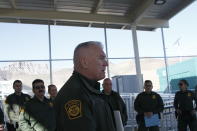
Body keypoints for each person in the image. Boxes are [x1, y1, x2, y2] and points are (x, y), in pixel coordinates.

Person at [54, 41, 116, 131]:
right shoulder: (74, 95)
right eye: (101, 58)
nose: (106, 63)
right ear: (84, 63)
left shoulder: (88, 89)